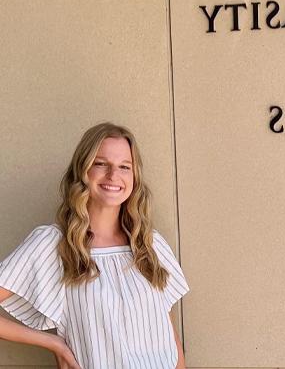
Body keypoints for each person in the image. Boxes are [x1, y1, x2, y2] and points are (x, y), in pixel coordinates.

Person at [0, 122, 189, 368]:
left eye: (124, 167)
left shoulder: (149, 243)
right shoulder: (55, 245)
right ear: (83, 170)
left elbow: (168, 334)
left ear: (134, 176)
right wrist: (54, 343)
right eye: (101, 164)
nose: (113, 176)